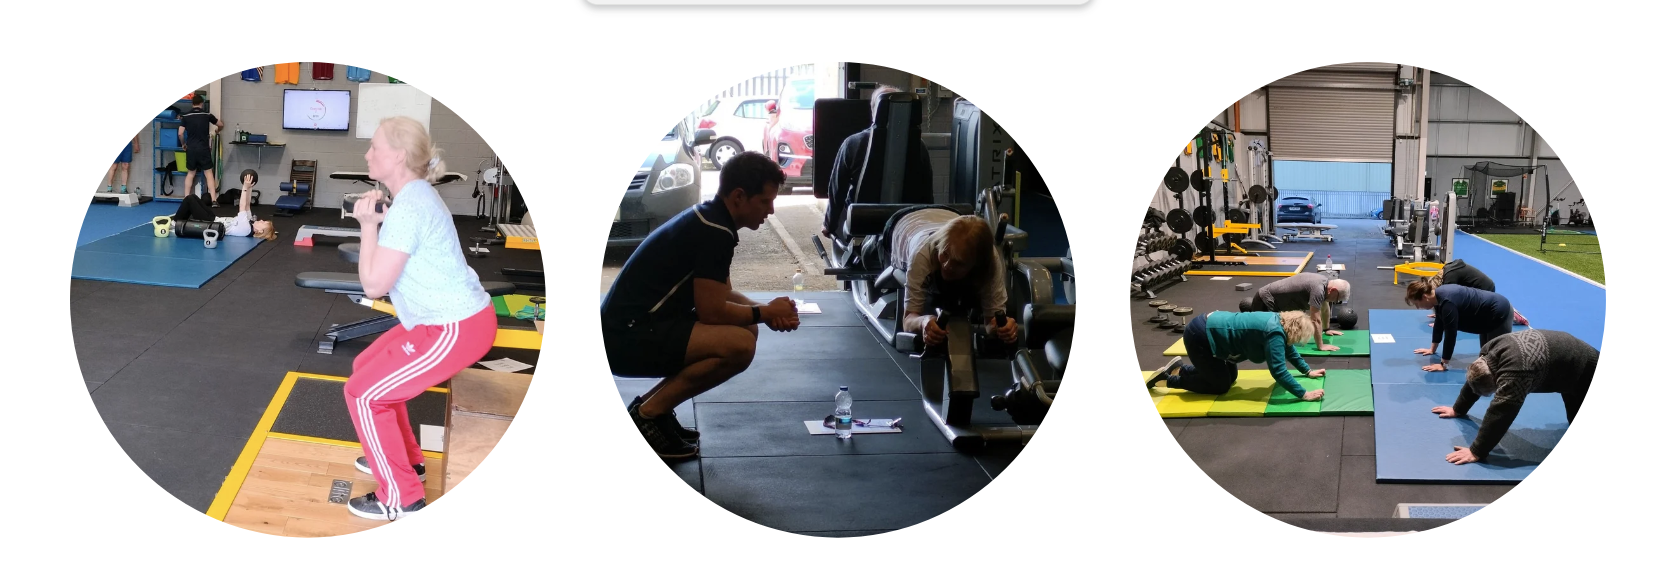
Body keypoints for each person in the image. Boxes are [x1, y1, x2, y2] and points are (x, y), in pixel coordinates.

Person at [340, 117, 498, 521]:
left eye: (375, 147)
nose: (367, 154)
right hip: (439, 322)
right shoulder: (413, 196)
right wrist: (378, 222)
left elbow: (373, 285)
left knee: (364, 393)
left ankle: (402, 497)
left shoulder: (410, 206)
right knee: (365, 368)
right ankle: (408, 461)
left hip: (455, 327)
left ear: (397, 156)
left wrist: (367, 226)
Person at [601, 151, 800, 460]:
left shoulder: (712, 218)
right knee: (739, 346)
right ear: (739, 197)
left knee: (746, 328)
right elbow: (713, 312)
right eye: (765, 201)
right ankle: (648, 416)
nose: (771, 210)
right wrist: (767, 313)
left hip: (629, 329)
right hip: (622, 338)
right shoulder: (714, 232)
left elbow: (724, 294)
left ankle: (651, 409)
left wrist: (767, 312)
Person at [1430, 329, 1596, 465]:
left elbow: (1501, 411)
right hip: (1566, 361)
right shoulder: (1489, 351)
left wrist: (1476, 451)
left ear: (1498, 382)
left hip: (1587, 368)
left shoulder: (1516, 372)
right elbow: (1475, 379)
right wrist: (1458, 409)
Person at [892, 209, 1018, 347]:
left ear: (976, 264)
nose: (947, 266)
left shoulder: (990, 262)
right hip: (905, 224)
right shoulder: (922, 255)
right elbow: (908, 321)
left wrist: (1002, 328)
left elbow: (991, 321)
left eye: (958, 263)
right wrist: (923, 322)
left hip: (948, 214)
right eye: (945, 254)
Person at [824, 85, 935, 240]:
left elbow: (837, 190)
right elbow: (927, 192)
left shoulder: (852, 143)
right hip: (906, 224)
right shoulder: (919, 146)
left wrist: (829, 225)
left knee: (844, 209)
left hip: (862, 222)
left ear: (874, 111)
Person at [1147, 310, 1326, 400]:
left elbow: (1289, 348)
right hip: (1200, 336)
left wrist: (1307, 371)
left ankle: (1180, 369)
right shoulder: (1274, 334)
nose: (1298, 341)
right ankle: (1167, 380)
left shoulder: (1280, 321)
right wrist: (1304, 394)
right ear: (1295, 331)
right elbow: (1279, 371)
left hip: (1212, 331)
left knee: (1231, 377)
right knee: (1220, 386)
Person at [1404, 280, 1514, 372]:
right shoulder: (1437, 296)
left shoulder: (1447, 303)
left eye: (1417, 303)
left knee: (1495, 359)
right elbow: (1439, 323)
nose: (1418, 307)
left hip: (1499, 312)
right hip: (1486, 313)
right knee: (1485, 354)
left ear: (1424, 297)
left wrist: (1443, 364)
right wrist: (1432, 349)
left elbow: (1450, 335)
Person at [1237, 272, 1351, 352]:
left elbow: (1325, 308)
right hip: (1265, 301)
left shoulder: (1325, 284)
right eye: (1337, 299)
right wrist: (1321, 345)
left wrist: (1326, 329)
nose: (1336, 302)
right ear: (1333, 290)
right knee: (1258, 342)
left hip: (1278, 304)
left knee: (1283, 337)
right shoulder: (1318, 289)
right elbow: (1315, 319)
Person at [171, 169, 275, 240]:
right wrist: (250, 186)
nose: (262, 220)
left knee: (190, 199)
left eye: (263, 222)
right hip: (214, 219)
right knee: (193, 197)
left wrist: (244, 187)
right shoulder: (250, 222)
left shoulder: (246, 229)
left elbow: (242, 206)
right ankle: (180, 221)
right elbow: (247, 204)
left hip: (210, 224)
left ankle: (175, 223)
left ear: (260, 231)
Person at [1425, 259, 1529, 326]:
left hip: (1485, 291)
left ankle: (1511, 315)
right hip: (1481, 287)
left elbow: (1448, 301)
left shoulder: (1449, 279)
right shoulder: (1446, 272)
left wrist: (1441, 321)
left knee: (1472, 320)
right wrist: (1439, 313)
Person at [179, 94, 223, 205]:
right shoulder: (207, 115)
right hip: (203, 148)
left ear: (192, 104)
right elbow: (221, 124)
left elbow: (180, 133)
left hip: (191, 148)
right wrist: (218, 130)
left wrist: (183, 144)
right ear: (201, 104)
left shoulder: (186, 116)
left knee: (191, 173)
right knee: (209, 173)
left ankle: (186, 199)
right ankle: (214, 200)